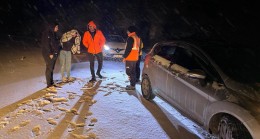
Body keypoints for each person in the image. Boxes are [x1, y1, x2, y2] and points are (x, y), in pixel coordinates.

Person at [41, 22, 61, 92]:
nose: (57, 28)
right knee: (49, 68)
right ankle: (49, 85)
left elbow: (55, 43)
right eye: (56, 27)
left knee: (51, 68)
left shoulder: (53, 33)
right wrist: (50, 53)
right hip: (49, 54)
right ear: (53, 27)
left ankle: (51, 83)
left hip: (54, 53)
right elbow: (46, 44)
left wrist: (59, 48)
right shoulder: (47, 33)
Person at [122, 26, 141, 90]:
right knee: (133, 71)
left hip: (130, 58)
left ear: (130, 31)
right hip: (135, 58)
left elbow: (128, 49)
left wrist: (124, 57)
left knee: (129, 72)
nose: (127, 32)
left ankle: (132, 85)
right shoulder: (137, 37)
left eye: (127, 30)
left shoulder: (130, 38)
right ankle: (133, 84)